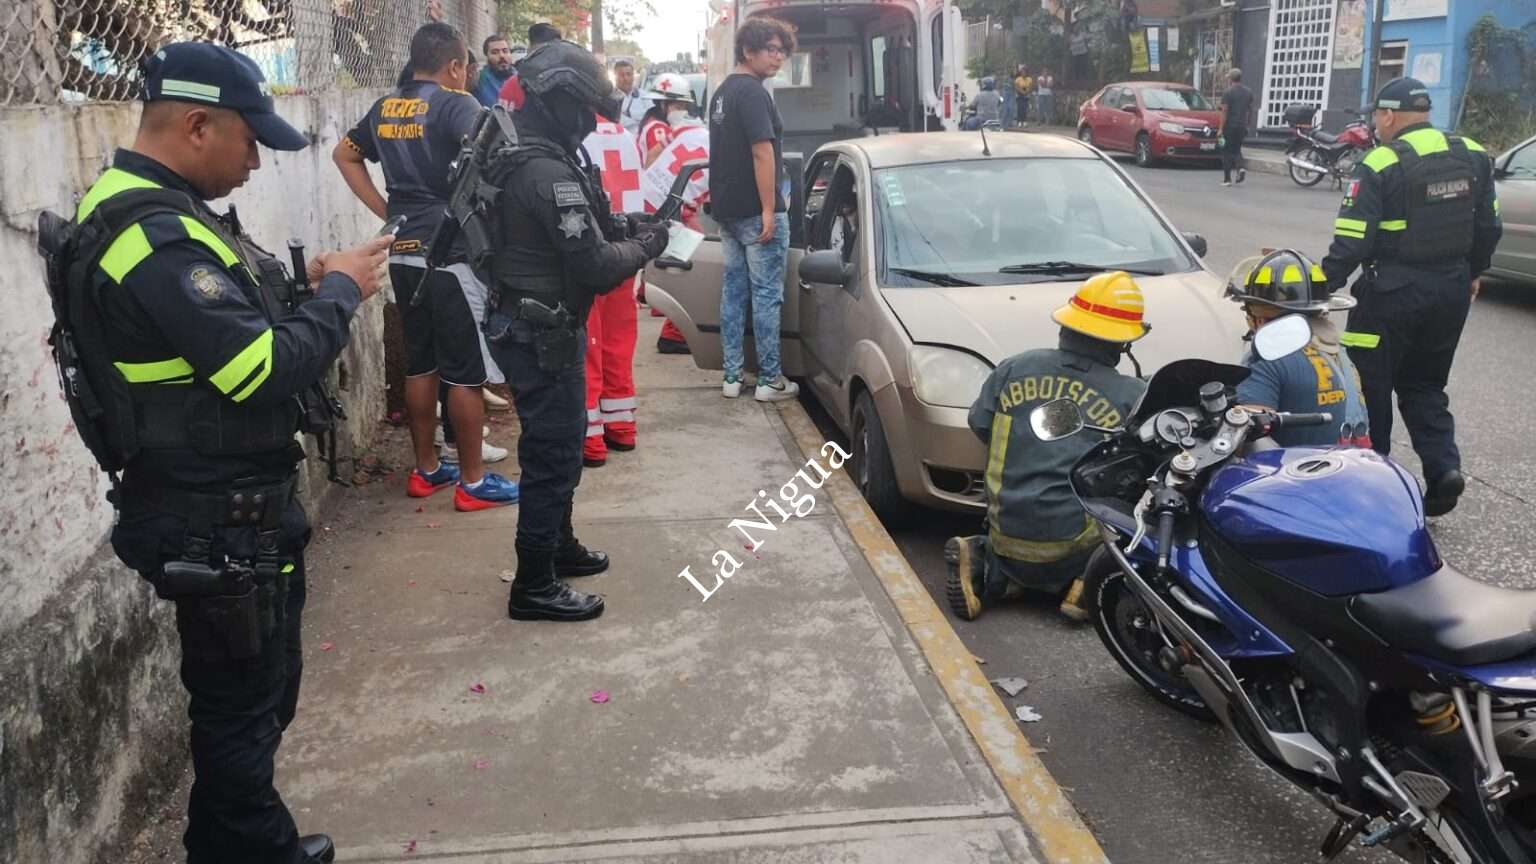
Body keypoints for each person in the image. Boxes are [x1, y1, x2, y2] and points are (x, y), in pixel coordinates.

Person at [50, 41, 394, 864]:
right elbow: (259, 368)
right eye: (250, 143)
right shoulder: (153, 236)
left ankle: (224, 842)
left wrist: (312, 290)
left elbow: (224, 336)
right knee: (243, 707)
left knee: (253, 698)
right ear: (198, 126)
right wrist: (341, 293)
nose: (254, 166)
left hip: (220, 506)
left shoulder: (156, 212)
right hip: (215, 518)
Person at [489, 39, 672, 620]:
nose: (591, 124)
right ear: (560, 103)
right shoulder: (545, 171)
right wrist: (646, 245)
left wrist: (629, 226)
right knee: (553, 454)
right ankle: (534, 583)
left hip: (535, 322)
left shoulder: (537, 154)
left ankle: (557, 548)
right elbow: (593, 264)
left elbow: (589, 226)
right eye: (585, 111)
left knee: (561, 447)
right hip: (540, 331)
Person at [334, 22, 519, 511]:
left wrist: (387, 211)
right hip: (451, 250)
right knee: (464, 371)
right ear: (456, 65)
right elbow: (493, 156)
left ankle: (427, 470)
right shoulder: (458, 104)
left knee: (423, 363)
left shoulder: (384, 108)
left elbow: (344, 154)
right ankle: (474, 482)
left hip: (403, 250)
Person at [1323, 76, 1502, 516]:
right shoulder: (1473, 154)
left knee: (1370, 388)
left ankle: (1377, 488)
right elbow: (1488, 226)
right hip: (1452, 291)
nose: (1375, 125)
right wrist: (1474, 272)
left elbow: (1353, 240)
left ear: (1388, 115)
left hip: (1389, 295)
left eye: (1376, 117)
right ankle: (1443, 470)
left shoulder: (1381, 161)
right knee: (1425, 384)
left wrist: (1317, 287)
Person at [947, 272, 1150, 622]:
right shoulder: (1129, 395)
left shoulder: (1013, 368)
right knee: (1134, 505)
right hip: (1071, 545)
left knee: (1012, 563)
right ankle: (1085, 583)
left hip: (1005, 532)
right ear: (1122, 345)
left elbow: (980, 424)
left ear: (1065, 327)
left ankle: (985, 566)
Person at [708, 16, 800, 402]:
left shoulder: (722, 93)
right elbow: (762, 152)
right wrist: (768, 208)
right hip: (755, 211)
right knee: (766, 296)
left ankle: (731, 376)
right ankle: (770, 380)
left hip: (727, 211)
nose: (778, 58)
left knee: (733, 293)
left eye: (782, 51)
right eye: (771, 50)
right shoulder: (753, 94)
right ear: (749, 50)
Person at [1228, 250, 1372, 447]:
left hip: (1296, 474)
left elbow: (1245, 438)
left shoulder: (1265, 359)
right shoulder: (1338, 353)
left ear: (1259, 317)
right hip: (1350, 468)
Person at [578, 113, 648, 468]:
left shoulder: (575, 136)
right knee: (619, 342)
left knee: (588, 342)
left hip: (592, 251)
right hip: (627, 247)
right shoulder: (625, 136)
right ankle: (621, 425)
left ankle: (590, 438)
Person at [639, 72, 697, 165]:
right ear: (663, 105)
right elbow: (663, 162)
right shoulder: (658, 129)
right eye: (678, 107)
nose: (682, 112)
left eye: (684, 108)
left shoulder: (656, 122)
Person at [1218, 68, 1253, 187]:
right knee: (1237, 149)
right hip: (1242, 125)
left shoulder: (1228, 92)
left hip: (1230, 126)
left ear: (1231, 79)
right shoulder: (1248, 92)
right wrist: (1248, 125)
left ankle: (1227, 179)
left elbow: (1224, 111)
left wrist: (1220, 129)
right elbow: (1249, 110)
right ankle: (1240, 167)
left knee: (1226, 151)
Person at [473, 34, 518, 107]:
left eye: (505, 51)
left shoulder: (522, 78)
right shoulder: (479, 80)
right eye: (495, 52)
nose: (502, 56)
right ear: (487, 56)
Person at [611, 58, 651, 136]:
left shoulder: (645, 96)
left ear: (633, 76)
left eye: (628, 74)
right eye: (621, 75)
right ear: (615, 76)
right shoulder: (609, 98)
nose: (626, 78)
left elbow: (652, 118)